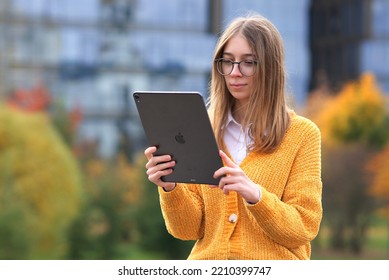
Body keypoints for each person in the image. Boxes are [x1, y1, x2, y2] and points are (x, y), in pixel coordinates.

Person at [144, 13, 322, 260]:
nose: (235, 72)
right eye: (227, 62)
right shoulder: (202, 127)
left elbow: (303, 227)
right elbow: (187, 230)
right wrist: (170, 186)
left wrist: (255, 195)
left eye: (248, 62)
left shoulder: (302, 135)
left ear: (270, 68)